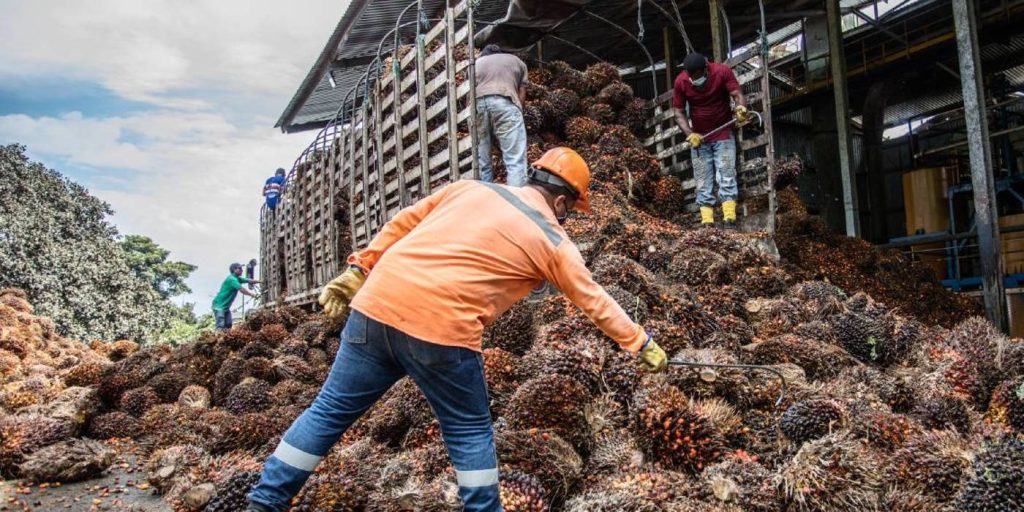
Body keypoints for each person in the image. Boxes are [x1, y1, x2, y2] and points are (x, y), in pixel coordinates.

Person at [246, 147, 668, 512]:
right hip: (442, 332)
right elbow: (594, 300)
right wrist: (640, 343)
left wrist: (360, 266)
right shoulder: (554, 241)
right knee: (469, 430)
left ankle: (264, 501)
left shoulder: (471, 188)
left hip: (375, 306)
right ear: (562, 203)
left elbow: (403, 222)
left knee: (328, 412)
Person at [672, 52, 749, 228]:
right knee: (702, 178)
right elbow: (678, 112)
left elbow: (737, 94)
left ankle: (729, 218)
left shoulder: (721, 72)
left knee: (726, 173)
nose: (694, 80)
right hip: (700, 138)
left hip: (723, 133)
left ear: (706, 68)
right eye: (691, 77)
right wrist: (690, 134)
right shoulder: (681, 81)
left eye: (698, 76)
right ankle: (707, 221)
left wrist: (741, 108)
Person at [474, 44, 529, 187]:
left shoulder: (476, 63)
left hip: (478, 105)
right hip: (505, 101)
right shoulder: (516, 61)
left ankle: (485, 198)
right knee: (515, 160)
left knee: (483, 160)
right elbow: (521, 92)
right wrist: (518, 112)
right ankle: (516, 202)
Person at [212, 263, 259, 330]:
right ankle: (218, 339)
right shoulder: (232, 279)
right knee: (220, 325)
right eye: (240, 268)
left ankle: (225, 338)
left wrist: (260, 281)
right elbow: (242, 290)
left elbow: (249, 280)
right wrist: (252, 295)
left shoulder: (237, 278)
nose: (242, 270)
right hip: (219, 306)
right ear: (234, 270)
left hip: (225, 307)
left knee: (228, 324)